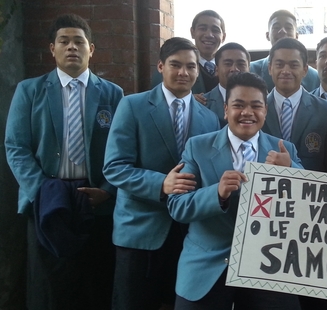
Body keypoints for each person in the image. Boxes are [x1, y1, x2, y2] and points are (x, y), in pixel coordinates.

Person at [4, 13, 123, 309]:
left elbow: (123, 150)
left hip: (95, 200)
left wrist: (108, 190)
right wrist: (42, 190)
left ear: (91, 49)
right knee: (49, 290)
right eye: (64, 41)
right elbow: (16, 147)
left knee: (96, 284)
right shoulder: (30, 91)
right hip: (48, 200)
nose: (72, 47)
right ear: (52, 49)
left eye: (79, 41)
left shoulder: (113, 94)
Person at [168, 71, 303, 309]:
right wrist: (216, 194)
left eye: (256, 106)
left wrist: (290, 171)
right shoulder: (197, 147)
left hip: (270, 267)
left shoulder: (285, 151)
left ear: (265, 111)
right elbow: (178, 207)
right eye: (238, 105)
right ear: (225, 109)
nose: (247, 113)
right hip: (207, 265)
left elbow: (310, 206)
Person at [103, 37, 220, 309]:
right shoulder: (132, 106)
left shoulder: (210, 118)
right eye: (175, 65)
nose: (183, 72)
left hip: (190, 236)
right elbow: (114, 167)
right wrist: (161, 184)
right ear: (160, 66)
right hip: (141, 231)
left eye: (190, 67)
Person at [261, 37, 327, 175]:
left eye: (293, 65)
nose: (286, 71)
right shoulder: (256, 110)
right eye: (279, 65)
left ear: (305, 70)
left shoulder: (326, 111)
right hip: (263, 193)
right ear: (270, 68)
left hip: (311, 194)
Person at [152, 10, 226, 104]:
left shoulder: (230, 68)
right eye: (203, 28)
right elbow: (155, 100)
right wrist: (185, 99)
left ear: (223, 37)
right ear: (192, 32)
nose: (209, 35)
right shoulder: (168, 67)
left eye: (215, 30)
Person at [250, 9, 319, 92]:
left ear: (296, 36)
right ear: (267, 35)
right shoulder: (250, 70)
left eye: (288, 27)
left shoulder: (315, 77)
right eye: (276, 27)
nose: (282, 31)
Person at [203, 42, 251, 127]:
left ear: (249, 68)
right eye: (228, 64)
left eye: (241, 64)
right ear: (216, 69)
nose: (234, 69)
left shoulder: (262, 102)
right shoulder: (202, 104)